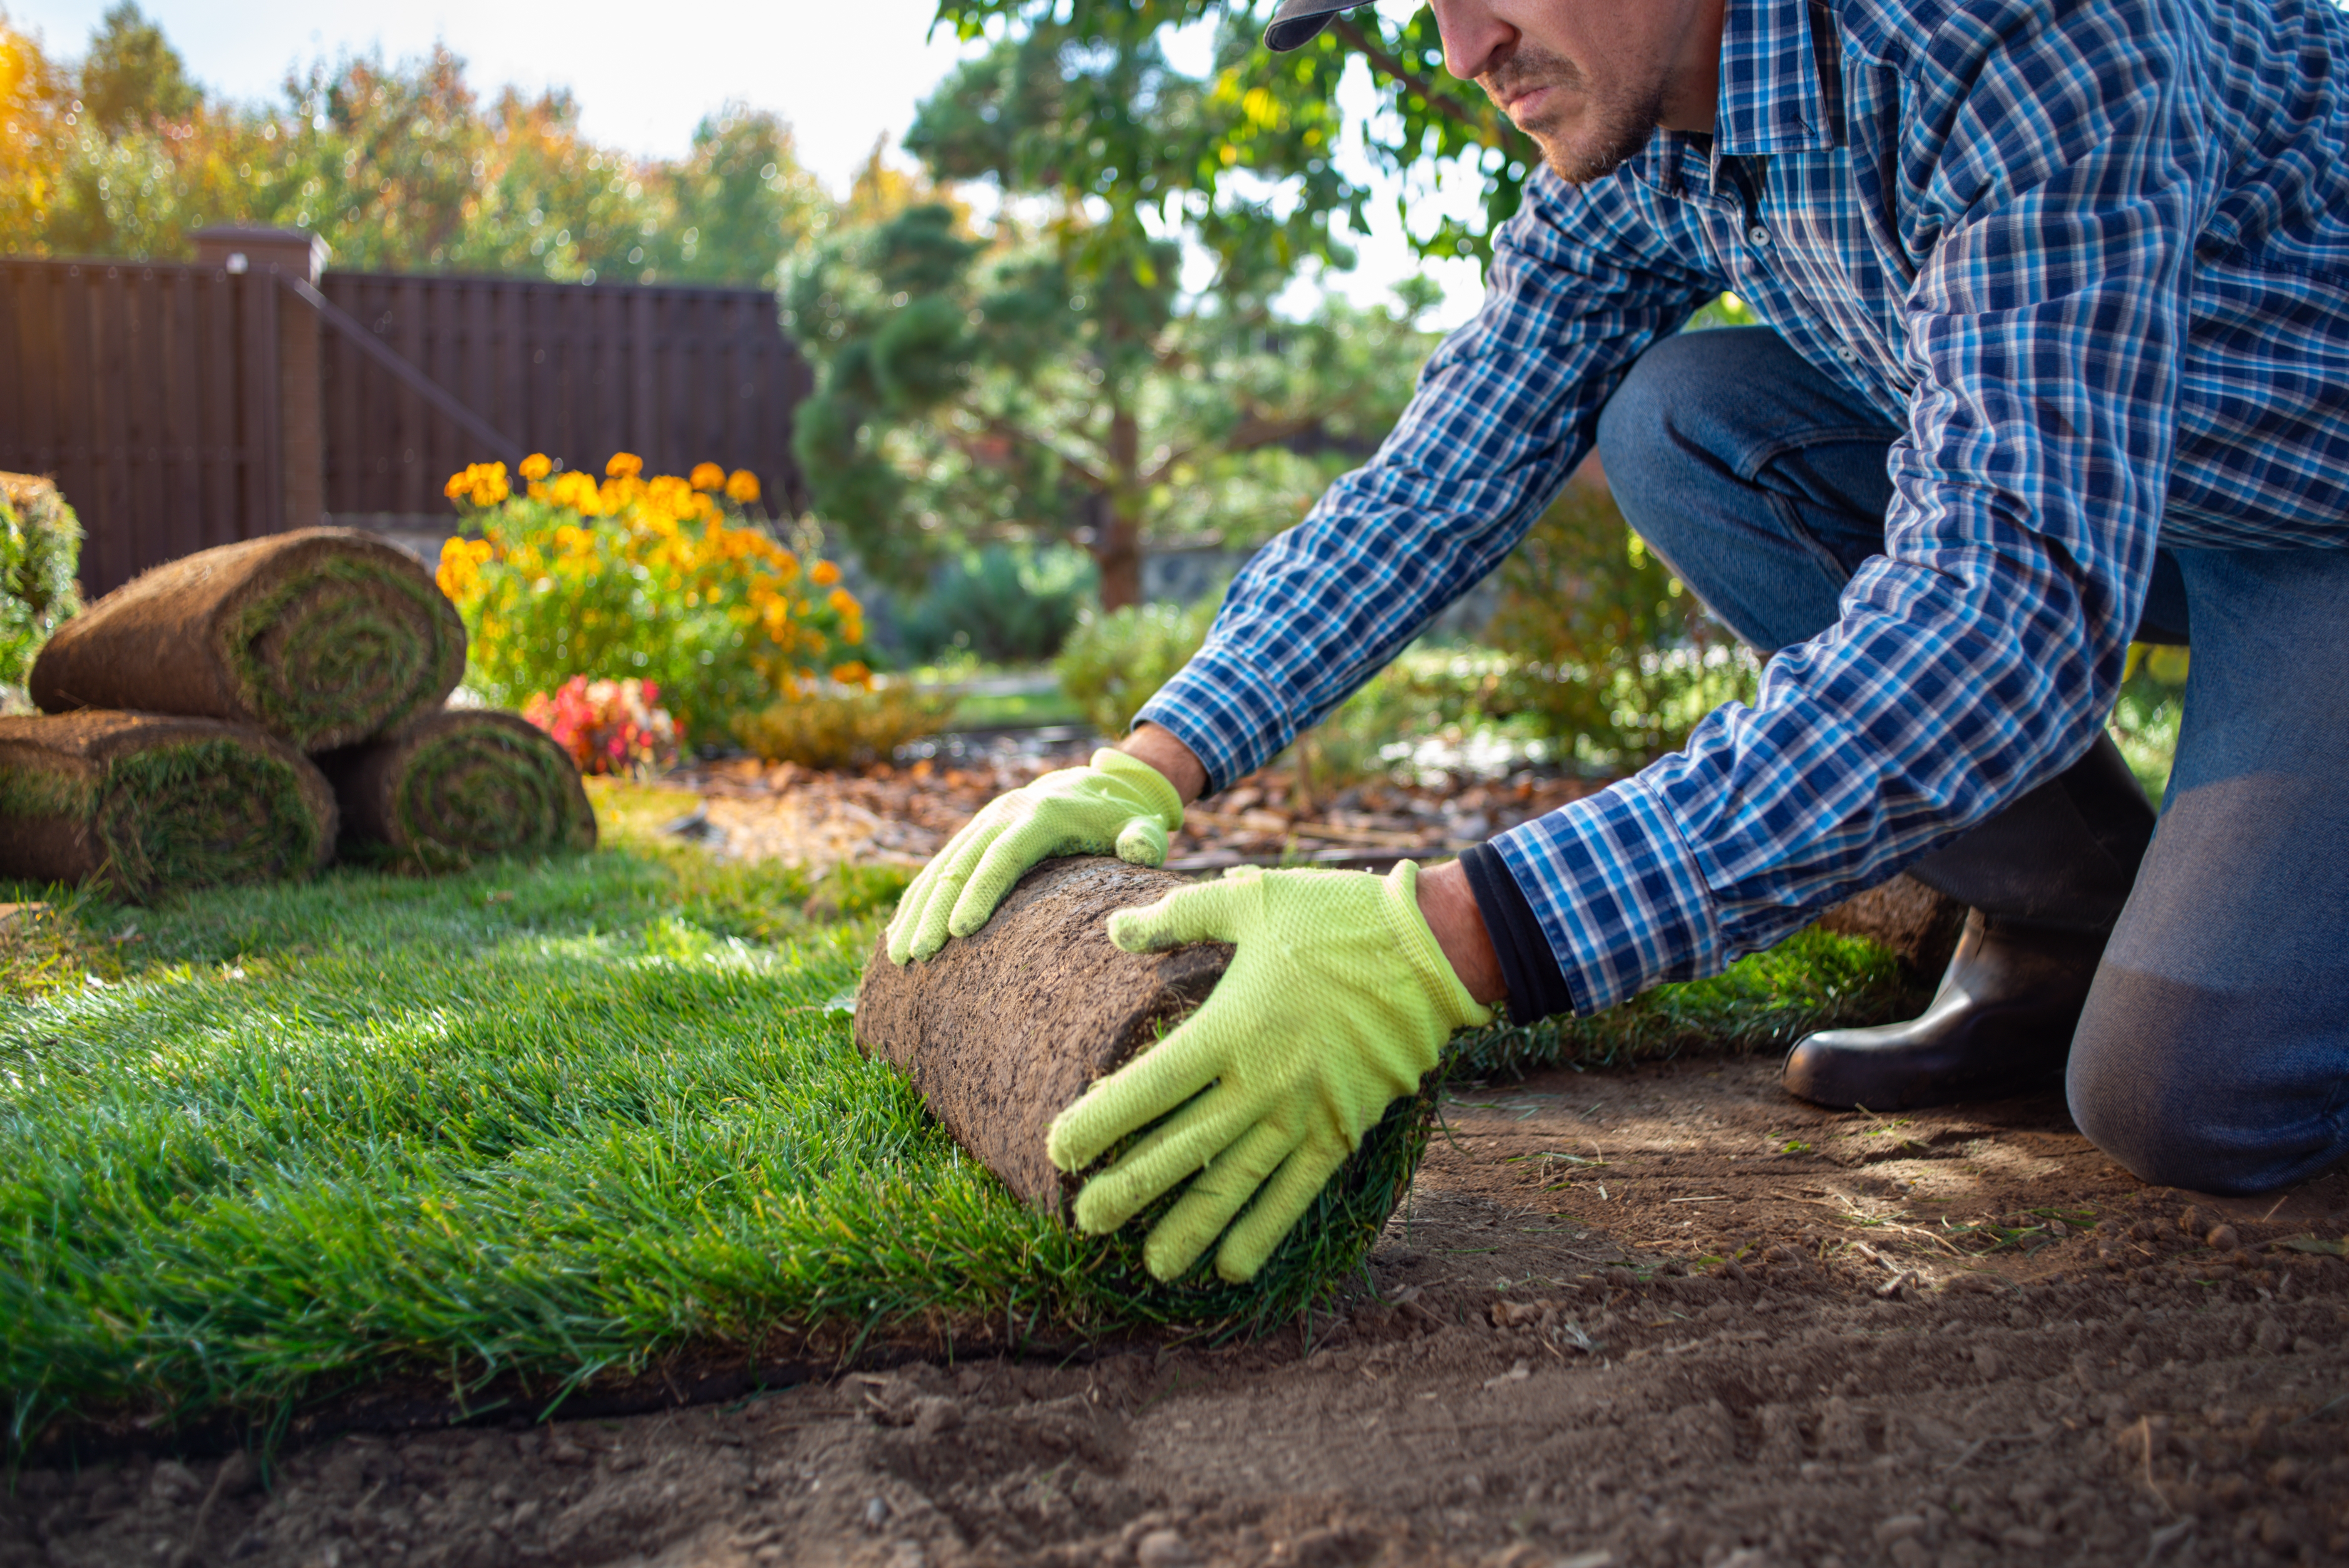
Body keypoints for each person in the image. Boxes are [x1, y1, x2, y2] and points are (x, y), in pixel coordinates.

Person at [887, 0, 2349, 1285]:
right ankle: (2064, 918)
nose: (1462, 51)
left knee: (2190, 1097)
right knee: (1680, 416)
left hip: (2317, 516)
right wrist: (1156, 757)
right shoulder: (1641, 131)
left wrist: (1446, 940)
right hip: (2129, 482)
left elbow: (1999, 621)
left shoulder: (2015, 29)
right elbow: (1445, 468)